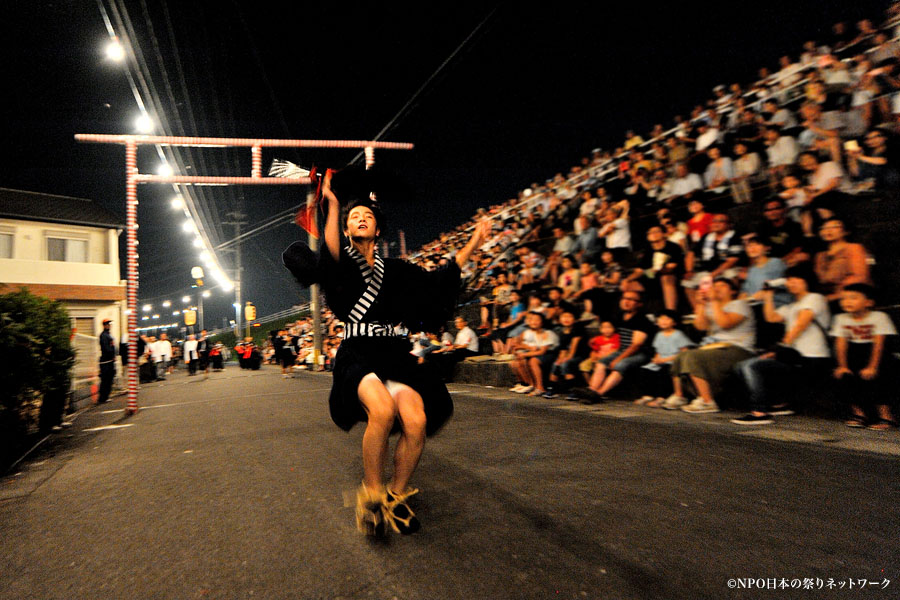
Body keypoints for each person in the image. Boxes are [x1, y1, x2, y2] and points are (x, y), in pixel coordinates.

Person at [282, 167, 489, 536]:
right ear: (346, 230)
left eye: (368, 216)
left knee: (417, 420)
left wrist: (473, 243)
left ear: (378, 229)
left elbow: (438, 282)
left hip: (394, 352)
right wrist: (330, 200)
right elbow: (329, 246)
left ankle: (396, 495)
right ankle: (373, 494)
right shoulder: (339, 263)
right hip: (358, 352)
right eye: (354, 217)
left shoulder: (398, 270)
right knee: (382, 408)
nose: (360, 218)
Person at [731, 267, 831, 425]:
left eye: (796, 279)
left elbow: (799, 326)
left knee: (752, 366)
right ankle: (782, 402)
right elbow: (771, 317)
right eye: (789, 280)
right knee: (741, 366)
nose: (791, 283)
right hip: (795, 356)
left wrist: (777, 351)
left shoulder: (814, 298)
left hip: (812, 358)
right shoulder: (792, 306)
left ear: (807, 281)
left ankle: (759, 412)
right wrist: (768, 294)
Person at [663, 278, 756, 413]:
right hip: (714, 348)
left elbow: (725, 323)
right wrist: (701, 304)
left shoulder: (740, 304)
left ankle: (708, 401)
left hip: (738, 348)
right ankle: (679, 395)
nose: (717, 288)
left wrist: (713, 301)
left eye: (722, 285)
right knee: (681, 356)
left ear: (733, 291)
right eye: (715, 285)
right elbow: (700, 326)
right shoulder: (713, 306)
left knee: (693, 356)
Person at [831, 283, 898, 430]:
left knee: (881, 376)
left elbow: (879, 344)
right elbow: (841, 343)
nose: (847, 302)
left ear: (869, 302)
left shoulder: (879, 317)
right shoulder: (841, 318)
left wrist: (872, 367)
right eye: (844, 298)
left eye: (853, 298)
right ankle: (859, 414)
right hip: (854, 353)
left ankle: (886, 417)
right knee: (843, 376)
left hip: (878, 355)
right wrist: (842, 366)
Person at [638, 311, 693, 407]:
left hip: (673, 361)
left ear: (674, 322)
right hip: (661, 360)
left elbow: (684, 352)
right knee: (646, 370)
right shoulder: (659, 335)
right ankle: (648, 395)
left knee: (663, 372)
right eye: (661, 318)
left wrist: (665, 360)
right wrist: (656, 359)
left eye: (667, 319)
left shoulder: (678, 334)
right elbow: (658, 351)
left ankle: (662, 398)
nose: (663, 321)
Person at [508, 312, 559, 396]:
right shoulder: (534, 334)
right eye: (531, 320)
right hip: (541, 354)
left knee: (533, 361)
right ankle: (531, 385)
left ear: (542, 322)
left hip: (552, 354)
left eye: (537, 320)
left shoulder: (547, 333)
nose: (533, 322)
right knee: (519, 361)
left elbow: (542, 351)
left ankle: (540, 387)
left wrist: (524, 355)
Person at [97, 318, 116, 404]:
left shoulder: (108, 335)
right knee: (105, 380)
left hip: (109, 360)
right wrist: (112, 356)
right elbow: (106, 348)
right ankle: (102, 398)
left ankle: (106, 396)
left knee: (109, 379)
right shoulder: (104, 335)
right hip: (106, 361)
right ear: (104, 325)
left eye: (109, 324)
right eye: (107, 324)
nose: (109, 325)